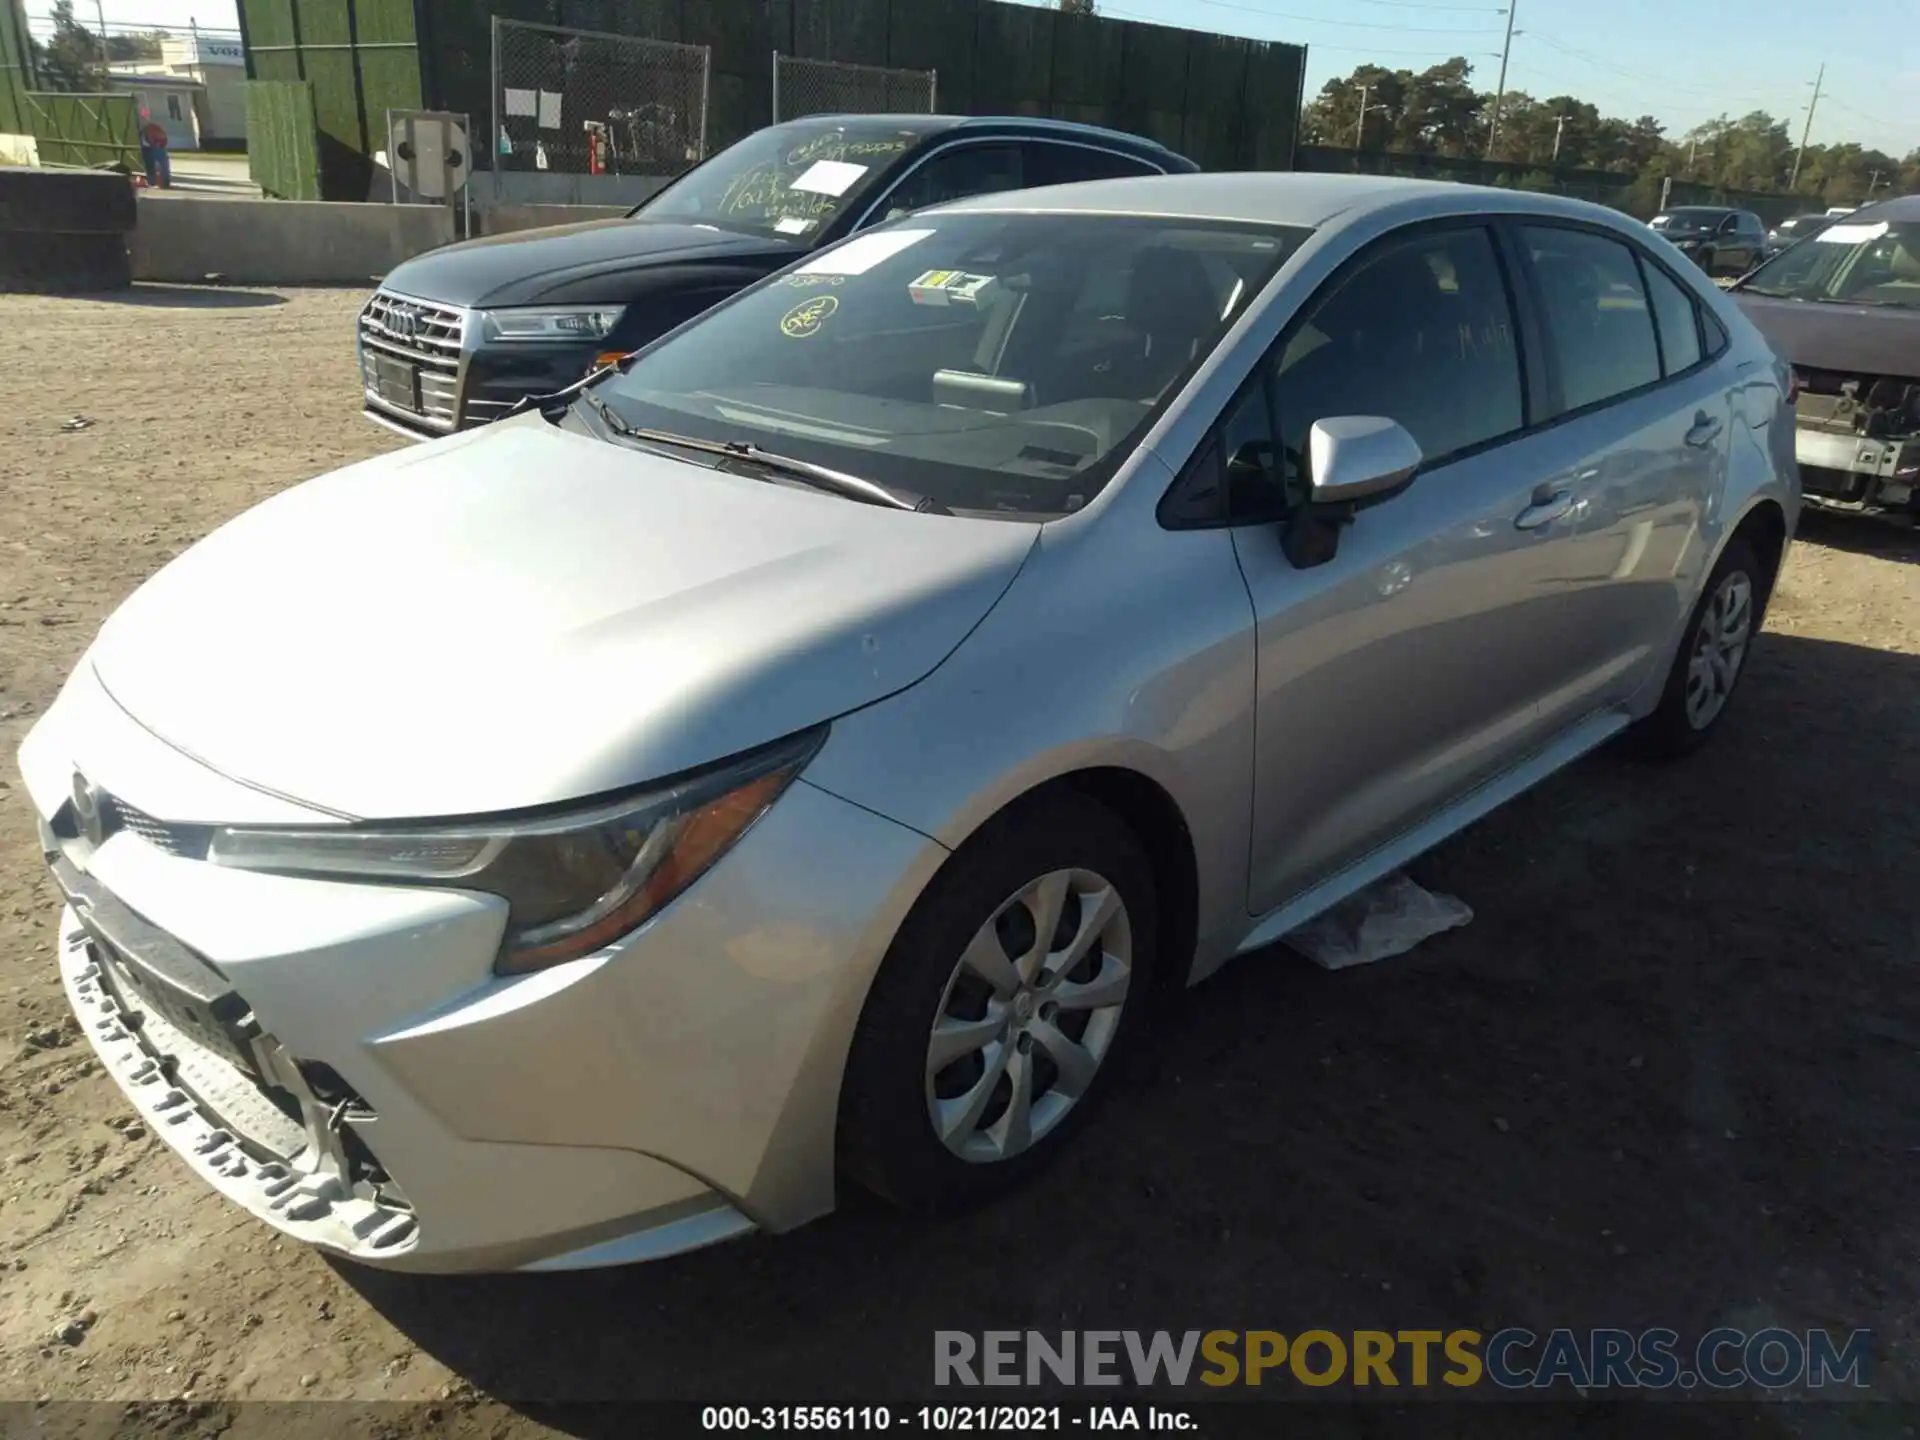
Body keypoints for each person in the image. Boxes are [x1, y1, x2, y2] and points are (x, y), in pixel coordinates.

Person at [139, 110, 171, 189]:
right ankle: (162, 181)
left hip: (153, 146)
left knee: (154, 163)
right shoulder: (152, 126)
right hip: (153, 145)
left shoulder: (150, 127)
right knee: (159, 163)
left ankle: (157, 181)